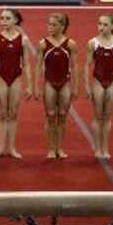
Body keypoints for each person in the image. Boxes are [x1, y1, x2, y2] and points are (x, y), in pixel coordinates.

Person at [0, 8, 32, 159]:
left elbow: (26, 64)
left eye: (7, 18)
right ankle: (1, 148)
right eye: (2, 18)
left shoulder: (23, 40)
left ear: (15, 20)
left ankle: (11, 148)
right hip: (1, 77)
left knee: (13, 113)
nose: (3, 21)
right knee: (2, 113)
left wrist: (30, 85)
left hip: (16, 78)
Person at [35, 13, 79, 159]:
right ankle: (51, 148)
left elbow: (75, 66)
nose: (50, 27)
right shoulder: (43, 44)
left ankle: (60, 147)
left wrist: (76, 86)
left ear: (62, 26)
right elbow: (37, 66)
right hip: (49, 83)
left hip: (65, 82)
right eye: (48, 24)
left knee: (62, 116)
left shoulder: (70, 44)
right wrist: (36, 86)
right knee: (50, 116)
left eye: (53, 25)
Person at [84, 15, 113, 159]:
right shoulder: (93, 43)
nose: (101, 27)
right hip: (98, 81)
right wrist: (86, 85)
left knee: (107, 116)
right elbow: (87, 65)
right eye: (99, 24)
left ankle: (105, 148)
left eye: (105, 24)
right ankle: (97, 148)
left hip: (112, 82)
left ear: (112, 26)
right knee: (98, 116)